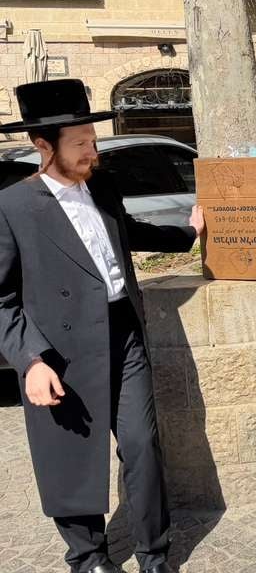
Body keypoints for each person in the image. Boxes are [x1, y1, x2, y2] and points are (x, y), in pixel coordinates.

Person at [0, 79, 204, 573]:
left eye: (93, 141)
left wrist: (188, 233)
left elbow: (130, 233)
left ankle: (154, 554)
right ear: (43, 145)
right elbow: (2, 299)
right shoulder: (12, 207)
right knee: (71, 452)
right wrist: (30, 360)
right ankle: (88, 557)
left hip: (123, 333)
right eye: (80, 144)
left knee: (141, 445)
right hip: (59, 351)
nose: (93, 152)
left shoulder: (103, 186)